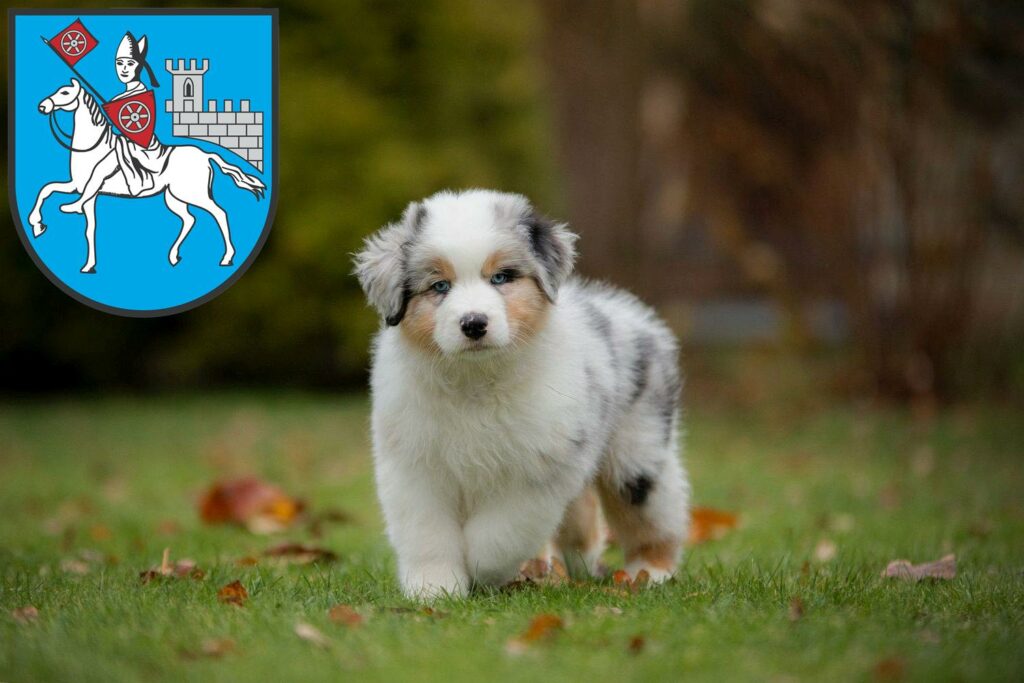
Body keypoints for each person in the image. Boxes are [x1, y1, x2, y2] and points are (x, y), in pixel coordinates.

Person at [61, 31, 169, 213]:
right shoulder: (121, 96)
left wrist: (115, 111)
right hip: (126, 142)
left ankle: (82, 202)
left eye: (130, 64)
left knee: (101, 167)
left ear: (139, 67)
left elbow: (139, 127)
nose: (124, 69)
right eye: (120, 64)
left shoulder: (141, 93)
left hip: (141, 146)